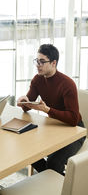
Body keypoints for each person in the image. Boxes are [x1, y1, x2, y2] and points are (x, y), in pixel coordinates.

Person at [17, 44, 85, 175]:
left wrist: (47, 110)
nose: (38, 65)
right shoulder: (37, 79)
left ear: (54, 63)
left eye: (42, 61)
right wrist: (23, 101)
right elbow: (28, 104)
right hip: (53, 126)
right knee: (28, 150)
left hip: (75, 130)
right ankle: (54, 178)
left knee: (53, 163)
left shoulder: (67, 84)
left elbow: (73, 119)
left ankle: (61, 183)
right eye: (37, 61)